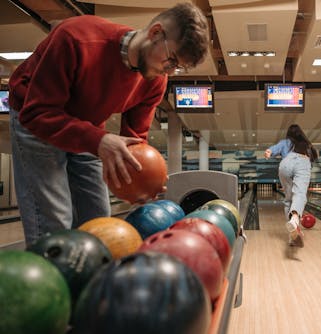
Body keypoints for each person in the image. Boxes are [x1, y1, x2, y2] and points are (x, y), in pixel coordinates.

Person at [8, 3, 210, 245]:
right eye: (171, 60)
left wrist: (141, 181)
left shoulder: (155, 81)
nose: (170, 70)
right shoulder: (77, 38)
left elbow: (135, 140)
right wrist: (99, 140)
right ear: (155, 33)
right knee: (55, 225)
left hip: (88, 127)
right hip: (37, 121)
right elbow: (36, 113)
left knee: (100, 222)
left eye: (178, 68)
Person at [265, 124, 318, 248]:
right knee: (299, 194)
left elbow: (272, 149)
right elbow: (314, 158)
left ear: (289, 134)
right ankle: (294, 220)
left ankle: (292, 235)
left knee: (288, 200)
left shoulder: (285, 142)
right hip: (302, 162)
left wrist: (269, 152)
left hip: (285, 164)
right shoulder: (307, 144)